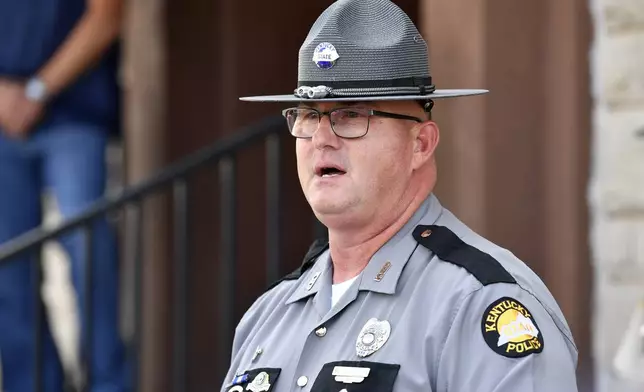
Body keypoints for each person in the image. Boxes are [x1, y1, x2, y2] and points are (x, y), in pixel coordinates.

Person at [224, 0, 579, 391]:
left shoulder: (480, 303)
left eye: (351, 115)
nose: (322, 139)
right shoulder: (267, 316)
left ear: (421, 145)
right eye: (308, 115)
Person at [0, 0, 129, 391]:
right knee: (9, 268)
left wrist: (37, 91)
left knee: (86, 251)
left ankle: (110, 383)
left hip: (75, 114)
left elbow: (108, 15)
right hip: (3, 122)